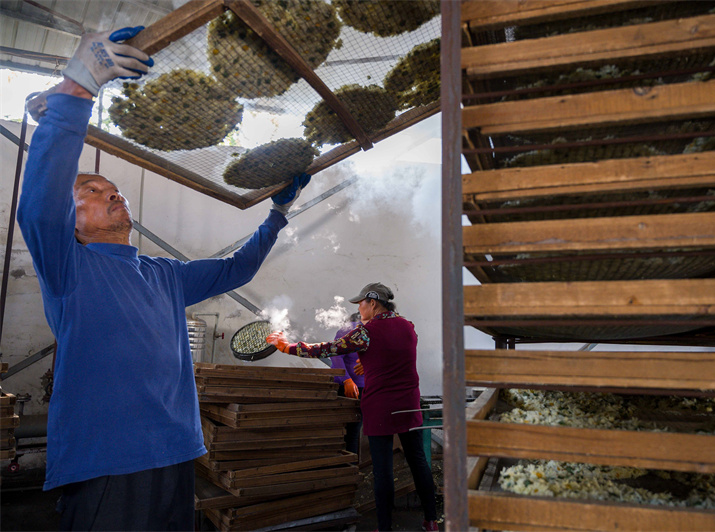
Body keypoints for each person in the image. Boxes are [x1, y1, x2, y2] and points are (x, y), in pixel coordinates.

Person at [16, 27, 310, 531]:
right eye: (90, 189)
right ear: (71, 222)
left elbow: (235, 269)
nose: (112, 194)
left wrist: (278, 214)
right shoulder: (69, 269)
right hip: (109, 462)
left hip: (176, 452)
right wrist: (77, 89)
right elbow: (40, 203)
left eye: (114, 189)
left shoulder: (164, 275)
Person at [267, 283, 438, 532]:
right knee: (418, 462)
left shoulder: (366, 333)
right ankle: (431, 520)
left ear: (373, 303)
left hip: (382, 407)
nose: (359, 308)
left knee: (383, 470)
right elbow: (395, 355)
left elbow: (327, 349)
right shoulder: (407, 326)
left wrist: (288, 347)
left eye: (361, 303)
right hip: (409, 404)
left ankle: (385, 527)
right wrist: (369, 363)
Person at [332, 312, 365, 456]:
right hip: (349, 387)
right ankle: (348, 466)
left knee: (350, 431)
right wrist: (346, 380)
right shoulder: (352, 329)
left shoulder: (353, 329)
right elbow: (337, 356)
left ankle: (348, 466)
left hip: (356, 386)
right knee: (351, 430)